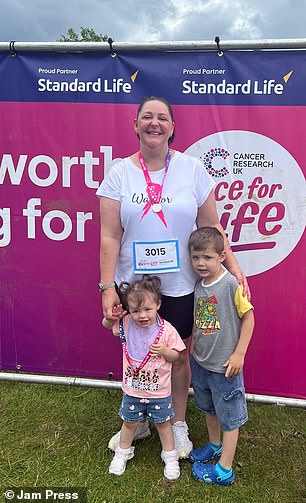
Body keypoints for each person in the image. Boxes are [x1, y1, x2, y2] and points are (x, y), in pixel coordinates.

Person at [96, 96, 249, 459]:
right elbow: (109, 235)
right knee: (138, 350)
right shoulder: (119, 172)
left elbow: (211, 227)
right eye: (146, 117)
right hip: (133, 288)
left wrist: (235, 269)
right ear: (135, 125)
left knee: (177, 355)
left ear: (172, 127)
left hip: (181, 286)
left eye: (162, 118)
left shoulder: (193, 169)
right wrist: (106, 287)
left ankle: (177, 422)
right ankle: (141, 417)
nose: (154, 123)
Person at [188, 227, 254, 486]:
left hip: (225, 366)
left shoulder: (230, 284)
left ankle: (224, 469)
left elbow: (249, 318)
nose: (201, 263)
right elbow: (201, 319)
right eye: (196, 258)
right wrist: (194, 344)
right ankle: (214, 445)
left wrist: (239, 354)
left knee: (229, 415)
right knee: (209, 408)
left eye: (207, 257)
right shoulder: (198, 284)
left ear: (222, 256)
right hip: (202, 362)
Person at [103, 276, 185, 479]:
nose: (142, 315)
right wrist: (110, 316)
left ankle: (171, 457)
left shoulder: (166, 330)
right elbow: (107, 325)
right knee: (129, 423)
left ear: (158, 304)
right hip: (132, 389)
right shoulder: (127, 324)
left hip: (160, 392)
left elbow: (177, 356)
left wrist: (165, 351)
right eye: (136, 310)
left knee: (164, 424)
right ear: (128, 310)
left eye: (147, 309)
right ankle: (122, 453)